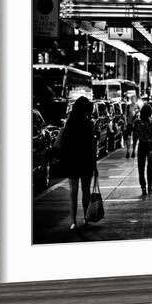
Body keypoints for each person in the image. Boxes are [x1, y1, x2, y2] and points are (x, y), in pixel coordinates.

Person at [59, 96, 97, 230]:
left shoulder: (69, 123)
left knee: (73, 192)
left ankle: (73, 221)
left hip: (72, 160)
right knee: (85, 191)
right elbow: (92, 146)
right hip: (86, 160)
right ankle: (85, 218)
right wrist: (95, 165)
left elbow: (65, 143)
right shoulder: (89, 124)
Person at [133, 103, 152, 195]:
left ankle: (143, 187)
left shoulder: (137, 121)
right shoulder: (151, 121)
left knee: (141, 167)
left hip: (141, 145)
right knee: (150, 167)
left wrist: (133, 148)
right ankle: (149, 186)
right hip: (150, 146)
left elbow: (135, 136)